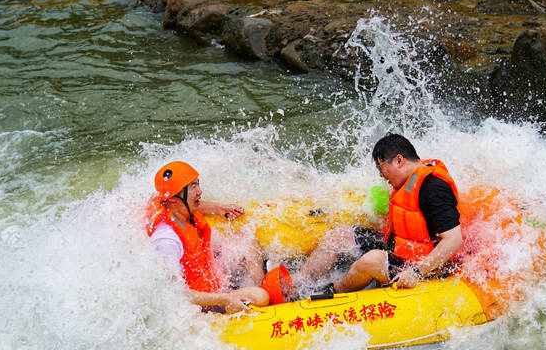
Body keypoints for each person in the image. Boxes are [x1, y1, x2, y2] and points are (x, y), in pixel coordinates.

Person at [297, 133, 463, 294]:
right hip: (402, 248)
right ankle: (298, 283)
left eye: (381, 167)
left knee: (371, 260)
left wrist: (416, 273)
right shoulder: (408, 180)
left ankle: (332, 293)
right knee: (342, 234)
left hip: (424, 264)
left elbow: (454, 240)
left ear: (399, 160)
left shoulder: (433, 188)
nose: (380, 174)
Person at [145, 161, 288, 314]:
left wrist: (219, 208)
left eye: (197, 184)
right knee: (261, 297)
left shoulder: (177, 206)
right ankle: (259, 294)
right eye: (193, 187)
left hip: (207, 274)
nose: (199, 191)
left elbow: (194, 204)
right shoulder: (166, 240)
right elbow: (174, 293)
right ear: (173, 199)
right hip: (201, 303)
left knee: (245, 236)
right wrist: (223, 299)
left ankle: (261, 283)